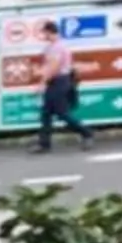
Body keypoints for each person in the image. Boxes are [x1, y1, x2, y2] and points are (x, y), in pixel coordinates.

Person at [36, 20, 82, 152]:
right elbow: (48, 66)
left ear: (49, 32)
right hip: (55, 81)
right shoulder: (51, 47)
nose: (43, 35)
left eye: (44, 32)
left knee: (61, 113)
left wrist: (42, 83)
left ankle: (86, 132)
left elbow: (54, 67)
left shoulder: (57, 47)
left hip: (59, 81)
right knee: (46, 113)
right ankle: (44, 144)